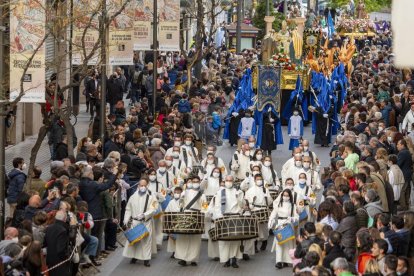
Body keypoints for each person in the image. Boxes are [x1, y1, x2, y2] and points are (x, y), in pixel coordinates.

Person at [123, 179, 158, 267]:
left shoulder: (151, 197)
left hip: (146, 222)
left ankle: (146, 259)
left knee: (146, 241)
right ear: (138, 186)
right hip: (135, 222)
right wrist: (126, 220)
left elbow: (154, 209)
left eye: (144, 185)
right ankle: (135, 257)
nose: (142, 187)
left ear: (147, 186)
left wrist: (144, 215)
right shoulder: (132, 197)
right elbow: (128, 209)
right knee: (135, 240)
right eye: (141, 185)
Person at [213, 175, 244, 268]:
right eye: (227, 180)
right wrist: (219, 218)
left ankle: (234, 259)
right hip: (224, 217)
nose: (229, 182)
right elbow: (217, 206)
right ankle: (226, 260)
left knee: (235, 239)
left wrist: (239, 197)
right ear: (224, 181)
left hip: (235, 217)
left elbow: (242, 205)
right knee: (224, 240)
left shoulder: (238, 192)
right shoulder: (219, 193)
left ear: (233, 181)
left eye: (230, 180)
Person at [175, 176, 206, 266]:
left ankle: (194, 259)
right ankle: (183, 258)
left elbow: (204, 207)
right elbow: (180, 205)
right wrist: (181, 200)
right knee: (183, 237)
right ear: (191, 182)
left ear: (199, 182)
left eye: (197, 181)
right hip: (185, 215)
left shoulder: (202, 194)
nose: (195, 183)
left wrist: (203, 215)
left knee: (195, 239)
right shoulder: (185, 192)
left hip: (197, 216)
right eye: (194, 181)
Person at [268, 188, 298, 269]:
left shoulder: (293, 205)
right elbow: (273, 213)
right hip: (280, 225)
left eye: (287, 195)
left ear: (290, 196)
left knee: (289, 244)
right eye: (284, 195)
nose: (285, 197)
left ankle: (287, 261)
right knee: (279, 243)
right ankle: (278, 261)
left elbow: (297, 217)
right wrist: (271, 221)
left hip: (288, 225)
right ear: (282, 196)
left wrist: (292, 219)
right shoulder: (278, 204)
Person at [245, 174, 272, 252]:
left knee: (264, 228)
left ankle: (264, 242)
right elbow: (247, 201)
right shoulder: (250, 190)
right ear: (254, 180)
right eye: (258, 179)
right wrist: (251, 205)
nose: (259, 181)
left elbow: (270, 201)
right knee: (255, 228)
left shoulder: (265, 190)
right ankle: (255, 245)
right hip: (255, 210)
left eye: (260, 179)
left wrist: (266, 197)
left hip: (263, 209)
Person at [44, 210, 72, 276]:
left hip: (50, 259)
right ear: (65, 219)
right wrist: (66, 257)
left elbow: (45, 243)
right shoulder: (63, 230)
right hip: (60, 261)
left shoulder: (48, 228)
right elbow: (60, 249)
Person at [396, 139, 412, 210]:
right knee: (407, 190)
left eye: (398, 144)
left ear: (402, 145)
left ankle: (403, 206)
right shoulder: (407, 151)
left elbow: (398, 164)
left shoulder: (402, 153)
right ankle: (407, 205)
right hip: (408, 173)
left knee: (403, 190)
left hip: (404, 174)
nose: (397, 146)